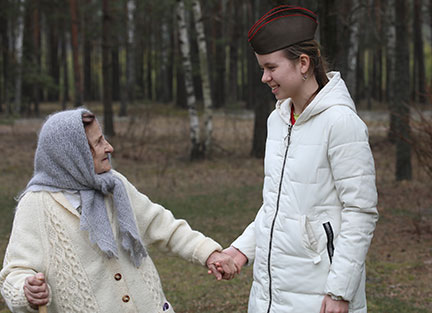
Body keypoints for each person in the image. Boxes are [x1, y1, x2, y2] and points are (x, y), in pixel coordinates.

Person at [219, 5, 379, 313]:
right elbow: (276, 207)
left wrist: (340, 291)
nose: (264, 77)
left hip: (322, 298)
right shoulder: (277, 121)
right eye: (262, 69)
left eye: (271, 67)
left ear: (303, 63)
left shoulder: (341, 123)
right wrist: (240, 251)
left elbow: (361, 212)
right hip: (268, 296)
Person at [0, 108, 238, 313]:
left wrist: (209, 253)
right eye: (98, 143)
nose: (109, 147)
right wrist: (26, 290)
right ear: (74, 156)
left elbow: (162, 225)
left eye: (104, 139)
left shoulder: (114, 185)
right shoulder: (36, 205)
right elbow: (15, 272)